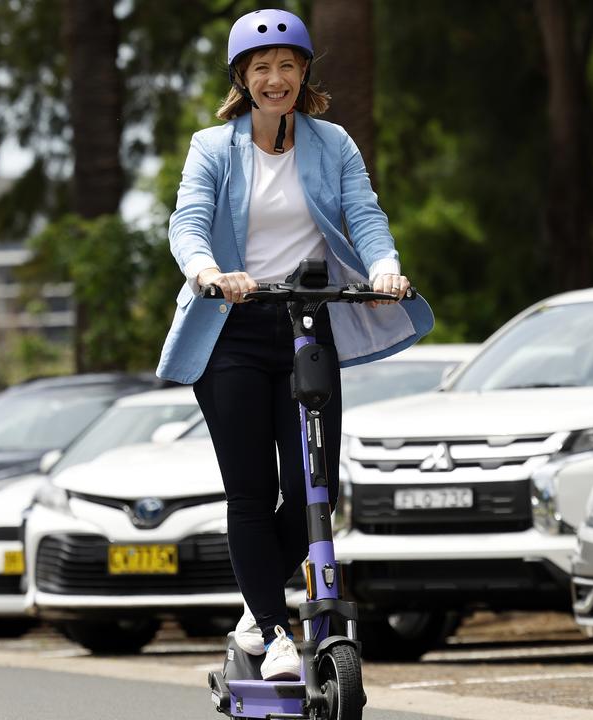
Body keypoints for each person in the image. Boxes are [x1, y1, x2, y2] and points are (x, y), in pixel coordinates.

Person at [156, 8, 433, 681]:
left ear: (304, 71)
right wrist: (209, 273)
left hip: (305, 324)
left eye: (286, 66)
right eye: (261, 70)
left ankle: (257, 606)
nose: (275, 79)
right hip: (232, 330)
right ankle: (275, 630)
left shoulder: (331, 142)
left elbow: (364, 214)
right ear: (243, 81)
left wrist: (384, 267)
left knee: (316, 485)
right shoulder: (212, 148)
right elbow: (188, 223)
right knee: (251, 492)